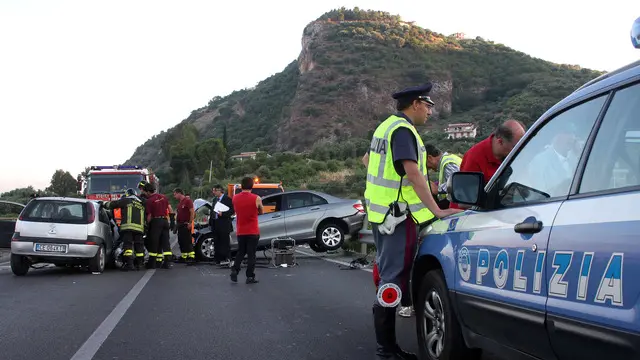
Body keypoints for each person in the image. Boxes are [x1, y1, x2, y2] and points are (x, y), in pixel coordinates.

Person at [364, 83, 462, 360]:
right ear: (416, 103)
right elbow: (414, 174)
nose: (431, 111)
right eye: (429, 105)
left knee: (388, 276)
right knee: (392, 280)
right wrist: (438, 210)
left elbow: (368, 162)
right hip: (397, 216)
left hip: (382, 214)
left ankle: (388, 346)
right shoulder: (403, 131)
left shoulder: (385, 128)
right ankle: (386, 349)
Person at [450, 120, 526, 209]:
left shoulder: (510, 155)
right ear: (500, 141)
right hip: (465, 216)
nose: (518, 151)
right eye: (514, 147)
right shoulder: (475, 157)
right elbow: (464, 202)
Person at [230, 176, 263, 284]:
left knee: (241, 252)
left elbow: (235, 210)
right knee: (251, 254)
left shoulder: (235, 198)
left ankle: (235, 269)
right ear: (252, 186)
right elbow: (261, 211)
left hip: (241, 230)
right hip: (252, 230)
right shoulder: (256, 198)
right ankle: (250, 276)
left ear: (241, 185)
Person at [103, 188, 145, 271]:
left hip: (128, 228)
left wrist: (103, 203)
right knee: (139, 247)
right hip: (139, 229)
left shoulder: (126, 200)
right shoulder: (140, 203)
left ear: (127, 194)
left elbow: (112, 205)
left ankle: (130, 265)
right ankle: (140, 265)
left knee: (128, 247)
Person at [143, 183, 171, 269]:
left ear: (148, 191)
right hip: (165, 221)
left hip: (156, 221)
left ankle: (152, 263)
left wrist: (146, 225)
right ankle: (167, 262)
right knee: (165, 242)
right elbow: (169, 208)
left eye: (145, 192)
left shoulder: (149, 201)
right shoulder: (164, 197)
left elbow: (149, 215)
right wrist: (171, 220)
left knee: (154, 242)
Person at [425, 144, 461, 209]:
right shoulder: (449, 158)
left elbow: (457, 183)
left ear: (429, 158)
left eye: (425, 164)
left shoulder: (447, 163)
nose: (427, 168)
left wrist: (437, 189)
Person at [209, 184, 234, 266]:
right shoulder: (215, 200)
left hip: (224, 223)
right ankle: (218, 259)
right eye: (213, 191)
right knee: (216, 242)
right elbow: (212, 211)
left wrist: (223, 214)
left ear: (220, 190)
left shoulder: (227, 199)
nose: (214, 192)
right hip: (215, 223)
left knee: (225, 242)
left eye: (215, 191)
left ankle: (227, 258)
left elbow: (232, 211)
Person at [173, 188, 195, 264]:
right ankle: (184, 256)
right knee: (181, 241)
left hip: (186, 224)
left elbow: (192, 212)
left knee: (187, 241)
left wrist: (190, 223)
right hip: (180, 225)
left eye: (175, 194)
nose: (174, 196)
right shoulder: (180, 203)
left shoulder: (187, 201)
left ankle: (191, 257)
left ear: (179, 193)